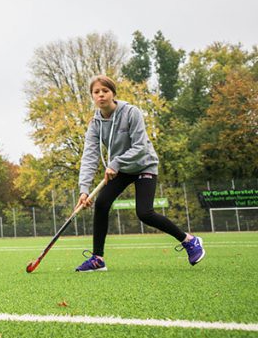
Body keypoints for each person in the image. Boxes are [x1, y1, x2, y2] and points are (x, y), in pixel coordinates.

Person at [75, 75, 205, 272]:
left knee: (144, 212)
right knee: (101, 203)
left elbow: (141, 147)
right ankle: (97, 259)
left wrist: (116, 162)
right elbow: (90, 157)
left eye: (105, 91)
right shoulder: (95, 124)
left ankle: (190, 241)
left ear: (113, 93)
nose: (101, 95)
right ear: (92, 97)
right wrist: (84, 190)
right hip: (122, 170)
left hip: (144, 164)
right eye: (96, 92)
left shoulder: (131, 113)